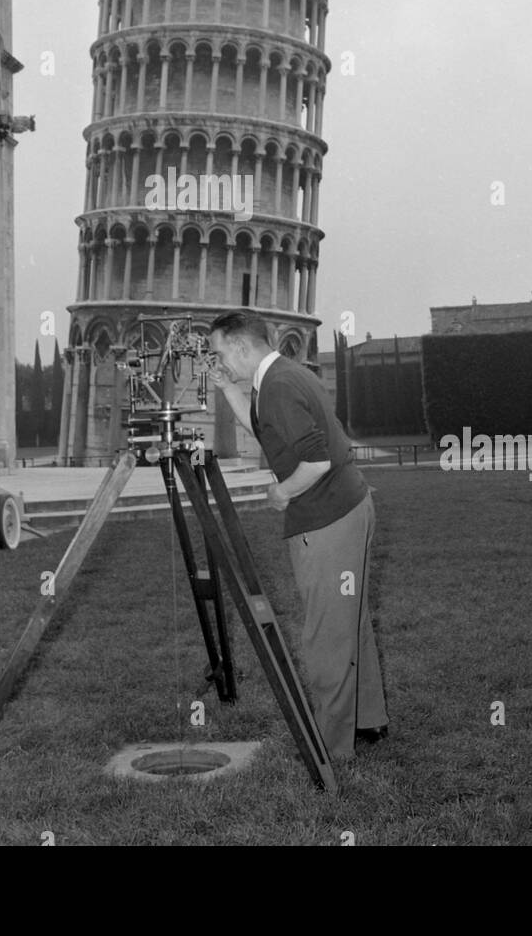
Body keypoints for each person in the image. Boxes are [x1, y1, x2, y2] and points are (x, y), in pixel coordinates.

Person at [205, 311, 389, 761]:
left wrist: (280, 492)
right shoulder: (283, 376)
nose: (218, 359)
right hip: (349, 506)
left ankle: (329, 748)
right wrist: (228, 387)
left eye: (220, 352)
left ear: (242, 348)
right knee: (350, 622)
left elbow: (315, 462)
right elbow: (266, 432)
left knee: (326, 632)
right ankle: (366, 722)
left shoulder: (280, 387)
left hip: (327, 518)